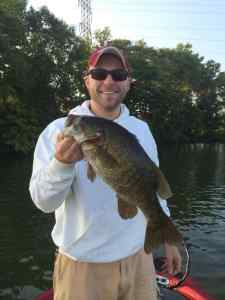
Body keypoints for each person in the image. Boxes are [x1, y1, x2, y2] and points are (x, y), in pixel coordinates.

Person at [29, 46, 182, 300]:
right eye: (100, 73)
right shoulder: (59, 130)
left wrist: (169, 239)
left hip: (139, 259)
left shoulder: (141, 129)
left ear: (128, 82)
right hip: (84, 267)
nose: (109, 81)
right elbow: (44, 203)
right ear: (87, 79)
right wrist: (61, 163)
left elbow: (152, 188)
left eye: (119, 75)